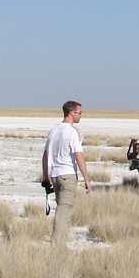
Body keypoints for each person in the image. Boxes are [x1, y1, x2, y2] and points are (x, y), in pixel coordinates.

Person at [41, 101, 91, 245]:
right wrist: (86, 179)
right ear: (72, 113)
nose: (80, 116)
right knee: (63, 213)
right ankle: (56, 248)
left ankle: (60, 246)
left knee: (62, 210)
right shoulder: (71, 132)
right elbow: (79, 155)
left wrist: (46, 177)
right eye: (79, 113)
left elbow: (46, 156)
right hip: (67, 175)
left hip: (55, 176)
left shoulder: (54, 130)